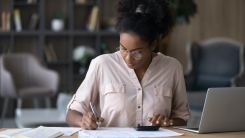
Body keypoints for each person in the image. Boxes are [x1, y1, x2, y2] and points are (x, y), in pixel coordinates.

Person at [66, 0, 190, 130]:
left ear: (153, 45)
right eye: (123, 49)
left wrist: (168, 122)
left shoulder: (172, 68)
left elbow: (182, 118)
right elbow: (71, 113)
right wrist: (83, 121)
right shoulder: (102, 65)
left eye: (137, 52)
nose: (128, 58)